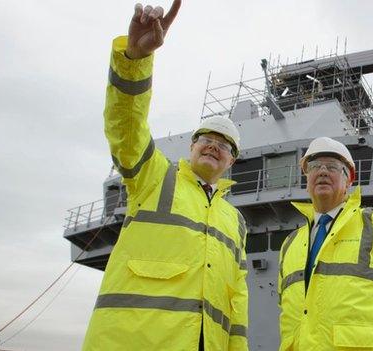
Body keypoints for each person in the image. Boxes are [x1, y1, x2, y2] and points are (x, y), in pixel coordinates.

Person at [82, 1, 248, 350]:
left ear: (231, 162)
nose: (213, 147)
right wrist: (134, 61)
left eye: (224, 146)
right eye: (206, 139)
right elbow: (126, 127)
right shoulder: (154, 178)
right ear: (192, 147)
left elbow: (237, 301)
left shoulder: (235, 221)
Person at [277, 137, 373, 351]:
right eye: (314, 166)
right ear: (306, 177)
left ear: (350, 180)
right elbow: (288, 311)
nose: (322, 171)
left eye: (333, 167)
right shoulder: (290, 244)